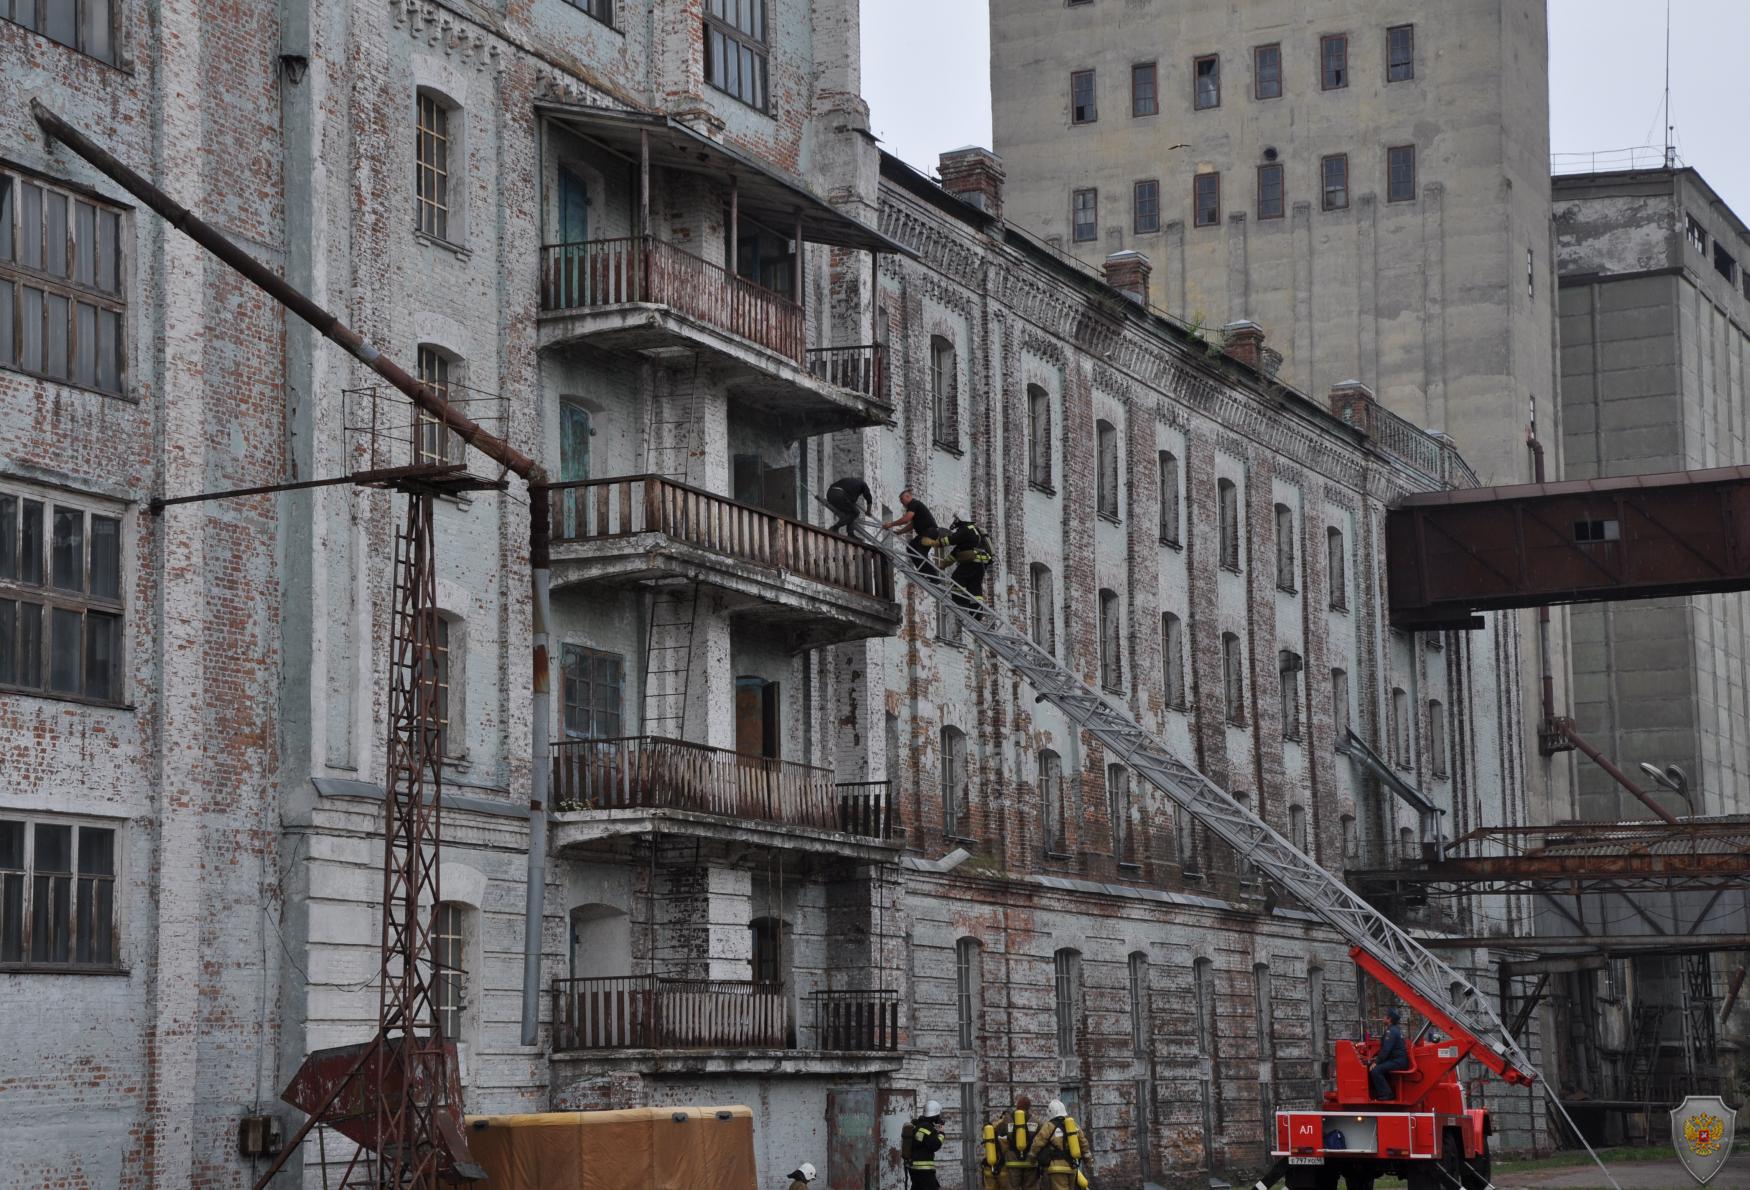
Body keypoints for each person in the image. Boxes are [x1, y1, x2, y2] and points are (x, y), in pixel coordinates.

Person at [884, 488, 945, 573]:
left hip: (929, 532)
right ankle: (926, 573)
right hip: (928, 533)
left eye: (902, 499)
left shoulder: (913, 504)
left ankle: (932, 576)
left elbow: (906, 519)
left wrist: (890, 524)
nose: (901, 503)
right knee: (914, 550)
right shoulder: (915, 506)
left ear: (908, 497)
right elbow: (912, 525)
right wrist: (900, 532)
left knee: (916, 550)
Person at [946, 515, 994, 615]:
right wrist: (943, 564)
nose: (955, 522)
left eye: (957, 519)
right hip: (983, 562)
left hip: (973, 560)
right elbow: (956, 552)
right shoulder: (977, 532)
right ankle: (977, 613)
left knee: (957, 578)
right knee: (975, 586)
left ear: (961, 520)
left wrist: (936, 542)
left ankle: (961, 603)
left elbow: (952, 541)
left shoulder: (965, 530)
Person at [1367, 1006, 1410, 1100]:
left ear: (1389, 1019)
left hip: (1398, 1061)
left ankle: (1387, 1095)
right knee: (1372, 1066)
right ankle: (1379, 1092)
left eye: (1385, 1016)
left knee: (1375, 1070)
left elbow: (1386, 1050)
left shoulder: (1391, 1031)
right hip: (1398, 1060)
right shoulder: (1394, 1030)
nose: (1383, 1017)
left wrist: (1376, 1062)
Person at [907, 1099, 946, 1190]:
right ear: (935, 1115)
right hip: (924, 1170)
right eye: (938, 1115)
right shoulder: (927, 1128)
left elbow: (923, 1142)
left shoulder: (919, 1126)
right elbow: (934, 1145)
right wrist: (941, 1134)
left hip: (914, 1169)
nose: (939, 1118)